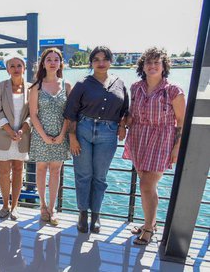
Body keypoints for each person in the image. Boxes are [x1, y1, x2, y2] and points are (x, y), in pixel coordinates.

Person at [123, 47, 185, 245]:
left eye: (157, 62)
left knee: (146, 184)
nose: (152, 66)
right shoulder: (135, 87)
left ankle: (149, 229)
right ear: (143, 66)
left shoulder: (174, 90)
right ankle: (150, 222)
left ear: (164, 65)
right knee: (148, 185)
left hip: (162, 139)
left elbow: (182, 121)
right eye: (148, 62)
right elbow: (132, 114)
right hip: (139, 137)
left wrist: (177, 147)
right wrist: (122, 124)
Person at [64, 46, 129, 233]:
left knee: (100, 177)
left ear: (110, 61)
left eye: (105, 59)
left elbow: (125, 110)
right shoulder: (83, 83)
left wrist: (123, 126)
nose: (101, 63)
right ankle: (83, 213)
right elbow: (71, 113)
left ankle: (96, 215)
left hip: (108, 133)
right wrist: (72, 137)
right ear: (91, 62)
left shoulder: (119, 83)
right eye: (96, 59)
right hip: (83, 131)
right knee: (83, 175)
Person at [29, 48, 72, 226]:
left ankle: (52, 208)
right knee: (40, 170)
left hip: (61, 134)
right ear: (43, 63)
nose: (52, 62)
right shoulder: (36, 87)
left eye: (56, 59)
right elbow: (33, 114)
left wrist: (62, 134)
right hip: (41, 135)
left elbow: (70, 113)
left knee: (55, 171)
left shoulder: (67, 86)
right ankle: (42, 206)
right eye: (49, 59)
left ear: (61, 63)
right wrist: (44, 136)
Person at [0, 55, 31, 220]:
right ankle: (5, 205)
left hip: (22, 137)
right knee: (4, 172)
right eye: (12, 66)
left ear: (24, 68)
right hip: (3, 136)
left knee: (18, 171)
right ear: (7, 69)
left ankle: (15, 206)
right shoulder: (0, 87)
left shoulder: (31, 88)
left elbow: (33, 113)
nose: (16, 69)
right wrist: (9, 130)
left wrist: (23, 129)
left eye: (19, 65)